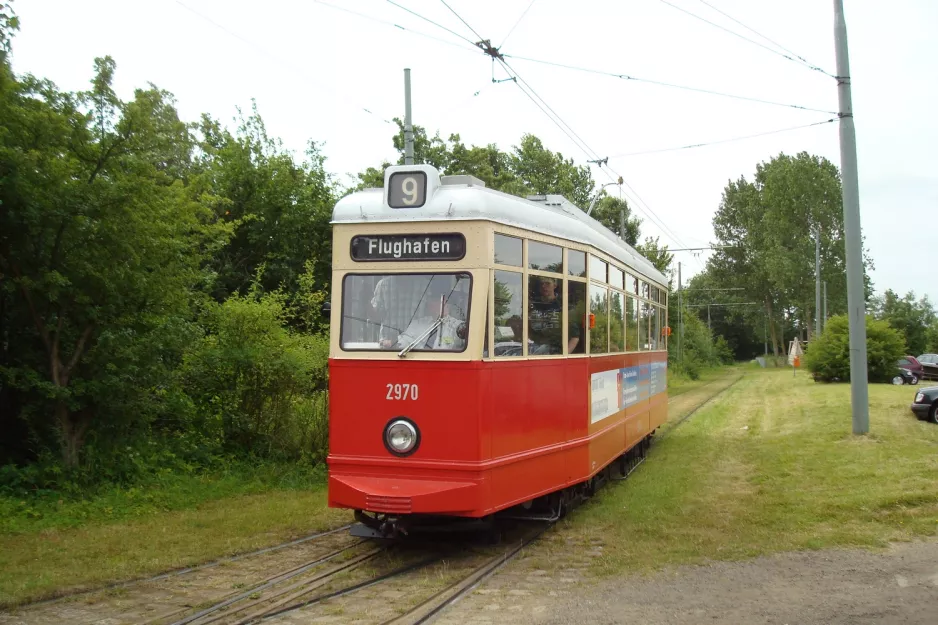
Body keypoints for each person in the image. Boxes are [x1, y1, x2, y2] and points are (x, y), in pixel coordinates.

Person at [381, 295, 467, 351]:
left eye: (439, 301)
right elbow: (405, 341)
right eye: (431, 301)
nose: (432, 305)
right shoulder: (418, 323)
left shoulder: (458, 326)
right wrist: (392, 342)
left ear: (447, 304)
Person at [528, 277, 580, 354]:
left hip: (555, 351)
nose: (544, 286)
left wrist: (564, 355)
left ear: (555, 285)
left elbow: (575, 336)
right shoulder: (534, 305)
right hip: (534, 350)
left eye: (547, 283)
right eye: (542, 284)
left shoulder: (563, 306)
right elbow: (527, 329)